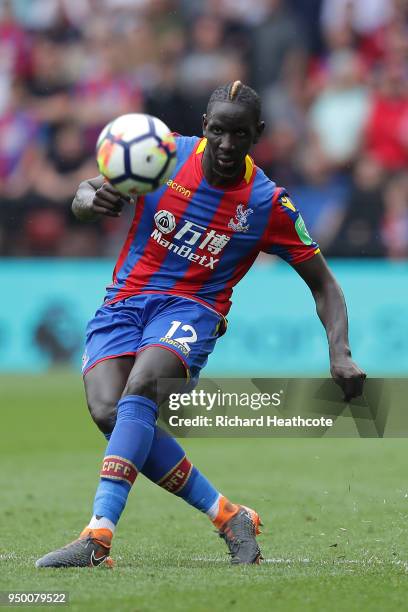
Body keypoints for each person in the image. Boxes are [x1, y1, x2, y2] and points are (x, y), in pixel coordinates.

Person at [36, 81, 366, 568]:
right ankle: (228, 515)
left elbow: (325, 285)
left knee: (142, 387)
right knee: (109, 410)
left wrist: (339, 350)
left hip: (192, 310)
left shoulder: (268, 203)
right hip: (124, 302)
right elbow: (89, 190)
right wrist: (89, 201)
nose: (228, 145)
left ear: (259, 134)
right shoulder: (161, 156)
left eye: (240, 134)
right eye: (218, 132)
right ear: (204, 128)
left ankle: (98, 535)